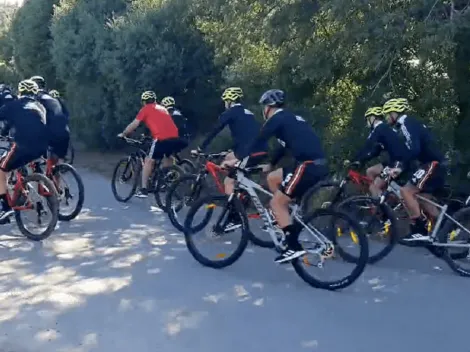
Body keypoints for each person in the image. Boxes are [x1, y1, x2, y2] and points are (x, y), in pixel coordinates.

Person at [223, 89, 329, 263]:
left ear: (269, 107)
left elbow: (257, 142)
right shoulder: (289, 119)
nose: (263, 111)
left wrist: (237, 160)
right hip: (314, 164)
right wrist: (271, 163)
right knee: (273, 178)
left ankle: (293, 245)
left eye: (264, 107)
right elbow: (284, 146)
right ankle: (284, 216)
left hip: (307, 166)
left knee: (276, 202)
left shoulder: (276, 119)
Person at [383, 98, 446, 242]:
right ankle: (445, 229)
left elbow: (413, 149)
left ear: (395, 113)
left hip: (432, 163)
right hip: (434, 163)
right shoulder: (409, 123)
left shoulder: (405, 124)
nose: (386, 118)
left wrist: (399, 167)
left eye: (387, 114)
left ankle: (420, 229)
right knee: (422, 198)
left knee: (406, 191)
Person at [192, 87, 268, 195]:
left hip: (250, 152)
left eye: (225, 102)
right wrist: (232, 149)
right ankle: (240, 190)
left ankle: (233, 208)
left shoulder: (230, 112)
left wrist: (200, 148)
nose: (225, 104)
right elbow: (246, 135)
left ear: (229, 101)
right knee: (228, 158)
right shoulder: (248, 113)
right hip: (259, 148)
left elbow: (215, 130)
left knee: (228, 181)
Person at [0, 80, 49, 221]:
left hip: (22, 145)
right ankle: (24, 189)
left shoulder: (13, 105)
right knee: (20, 162)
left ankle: (5, 207)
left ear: (20, 92)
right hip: (41, 147)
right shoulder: (40, 106)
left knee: (1, 169)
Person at [118, 91, 180, 198]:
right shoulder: (162, 108)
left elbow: (135, 124)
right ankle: (165, 180)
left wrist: (124, 134)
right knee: (168, 156)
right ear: (155, 100)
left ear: (143, 102)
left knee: (148, 160)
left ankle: (143, 189)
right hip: (175, 136)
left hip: (161, 137)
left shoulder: (146, 109)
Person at [348, 106, 411, 197]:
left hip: (397, 162)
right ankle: (381, 195)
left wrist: (355, 159)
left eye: (367, 119)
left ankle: (380, 205)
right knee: (370, 171)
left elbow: (368, 146)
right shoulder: (384, 129)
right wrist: (362, 160)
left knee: (374, 186)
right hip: (395, 161)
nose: (367, 123)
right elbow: (375, 151)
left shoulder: (379, 129)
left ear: (372, 117)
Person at [30, 76, 70, 164]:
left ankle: (38, 172)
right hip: (65, 131)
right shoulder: (52, 97)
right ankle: (57, 172)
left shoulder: (35, 98)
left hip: (49, 133)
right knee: (55, 163)